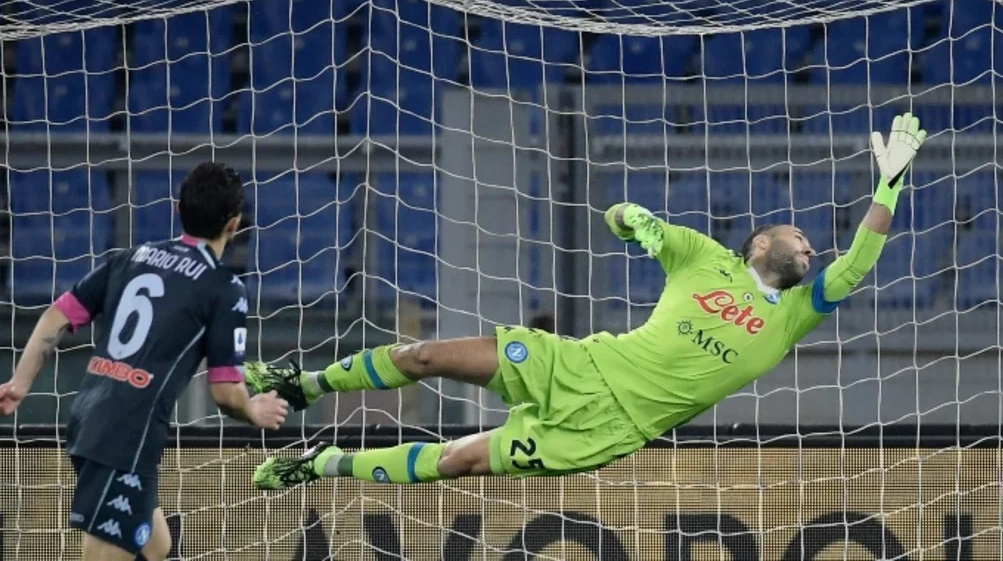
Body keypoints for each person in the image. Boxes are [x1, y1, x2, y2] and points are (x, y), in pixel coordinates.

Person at [248, 113, 927, 490]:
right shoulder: (701, 257)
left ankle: (318, 464)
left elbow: (859, 264)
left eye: (812, 246)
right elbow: (622, 217)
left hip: (609, 429)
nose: (809, 246)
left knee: (459, 460)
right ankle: (301, 385)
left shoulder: (794, 314)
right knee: (424, 354)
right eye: (798, 234)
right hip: (576, 366)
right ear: (758, 242)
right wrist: (634, 217)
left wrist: (889, 185)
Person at [0, 163, 290, 561]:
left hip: (91, 415)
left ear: (177, 209)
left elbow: (57, 315)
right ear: (234, 224)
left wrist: (19, 382)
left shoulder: (131, 257)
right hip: (129, 432)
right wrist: (253, 410)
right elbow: (225, 391)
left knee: (157, 545)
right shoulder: (224, 288)